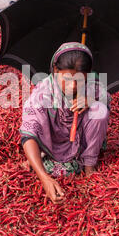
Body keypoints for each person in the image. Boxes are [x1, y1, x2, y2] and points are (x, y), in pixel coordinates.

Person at [20, 42, 110, 204]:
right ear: (55, 71)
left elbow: (105, 95)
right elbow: (29, 134)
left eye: (79, 80)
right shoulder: (42, 94)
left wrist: (90, 100)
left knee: (100, 110)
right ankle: (42, 155)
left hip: (80, 139)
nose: (73, 86)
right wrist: (44, 178)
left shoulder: (91, 86)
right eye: (67, 79)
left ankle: (89, 164)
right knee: (48, 166)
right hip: (53, 142)